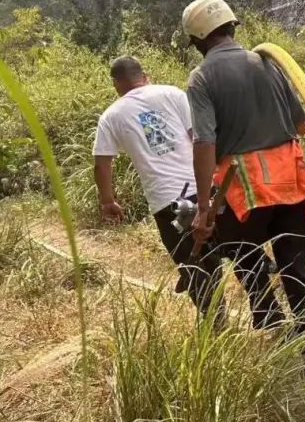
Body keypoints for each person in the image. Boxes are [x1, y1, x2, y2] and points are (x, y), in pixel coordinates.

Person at [183, 0, 305, 371]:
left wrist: (202, 207)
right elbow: (301, 125)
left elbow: (204, 142)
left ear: (197, 40)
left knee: (241, 252)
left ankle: (270, 319)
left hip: (243, 188)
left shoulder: (201, 78)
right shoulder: (268, 63)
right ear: (232, 26)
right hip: (291, 183)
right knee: (296, 265)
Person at [92, 56, 225, 324]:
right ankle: (234, 314)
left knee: (190, 261)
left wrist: (108, 201)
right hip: (204, 191)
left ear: (116, 84)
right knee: (214, 251)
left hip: (168, 204)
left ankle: (215, 321)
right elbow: (200, 138)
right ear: (145, 75)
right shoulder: (172, 93)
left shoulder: (111, 116)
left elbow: (101, 163)